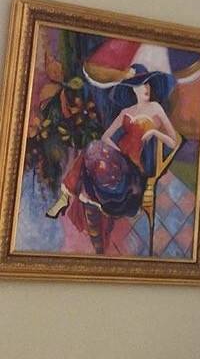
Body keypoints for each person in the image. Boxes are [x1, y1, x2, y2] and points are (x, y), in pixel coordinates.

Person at [46, 64, 179, 254]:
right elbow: (107, 136)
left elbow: (174, 142)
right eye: (140, 85)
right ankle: (76, 197)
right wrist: (115, 150)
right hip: (117, 159)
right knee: (93, 148)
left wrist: (154, 133)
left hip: (133, 170)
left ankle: (67, 196)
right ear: (132, 89)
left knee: (91, 153)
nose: (146, 88)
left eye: (147, 84)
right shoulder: (127, 112)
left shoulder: (155, 108)